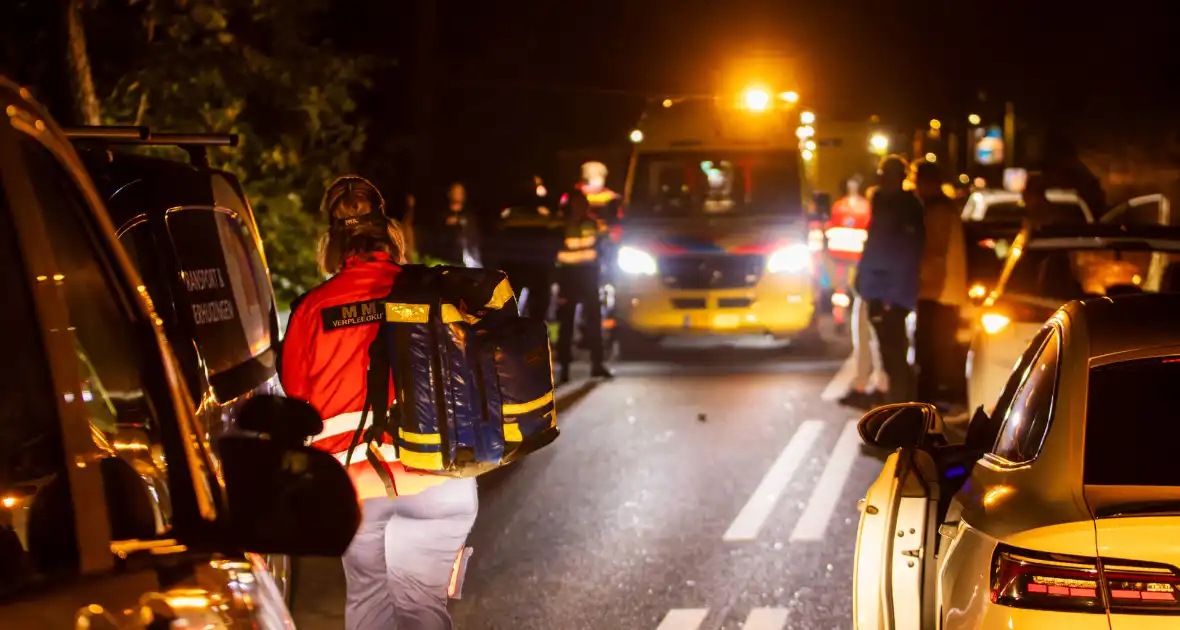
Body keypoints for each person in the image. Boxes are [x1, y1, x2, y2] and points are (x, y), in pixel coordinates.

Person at [280, 175, 478, 630]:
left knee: (370, 606)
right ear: (392, 236)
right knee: (424, 609)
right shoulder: (429, 292)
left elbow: (295, 393)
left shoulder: (312, 308)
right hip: (440, 479)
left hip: (357, 486)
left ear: (332, 244)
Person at [856, 155, 925, 404]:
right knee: (887, 348)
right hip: (877, 289)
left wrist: (890, 296)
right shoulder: (883, 203)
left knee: (895, 348)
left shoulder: (906, 207)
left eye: (888, 174)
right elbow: (874, 247)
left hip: (891, 294)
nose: (882, 179)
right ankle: (898, 400)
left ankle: (902, 401)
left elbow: (905, 255)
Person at [555, 162, 616, 384]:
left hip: (589, 277)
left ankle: (597, 365)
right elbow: (556, 253)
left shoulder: (595, 225)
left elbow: (606, 248)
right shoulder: (562, 226)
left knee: (594, 323)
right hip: (570, 279)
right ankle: (564, 368)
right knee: (566, 326)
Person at [914, 160, 967, 409]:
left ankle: (930, 399)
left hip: (938, 292)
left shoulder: (937, 211)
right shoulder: (947, 207)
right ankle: (940, 394)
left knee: (931, 348)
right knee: (940, 347)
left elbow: (935, 253)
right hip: (948, 292)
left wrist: (922, 285)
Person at [496, 175, 562, 319]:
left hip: (527, 265)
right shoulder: (542, 212)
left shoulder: (510, 212)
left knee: (521, 308)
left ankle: (518, 336)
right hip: (528, 266)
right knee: (529, 309)